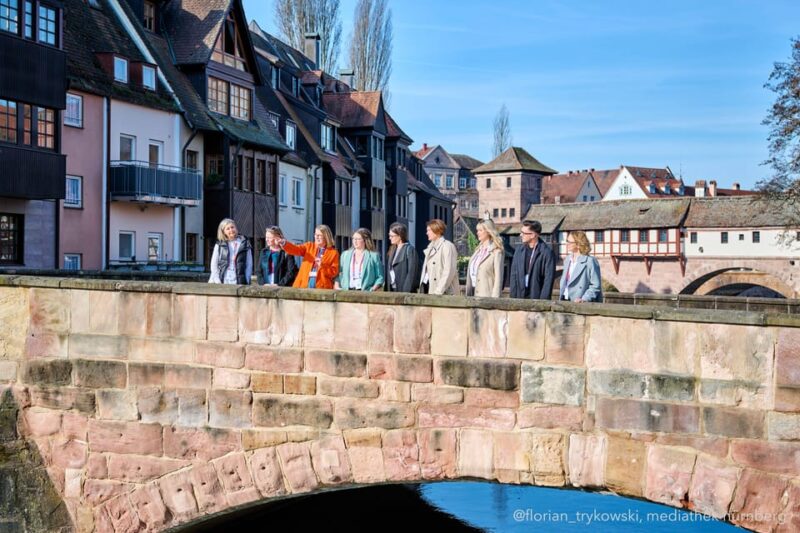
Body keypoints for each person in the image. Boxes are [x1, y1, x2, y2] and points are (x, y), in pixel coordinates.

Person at [280, 224, 339, 289]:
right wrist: (284, 243)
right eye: (315, 234)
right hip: (303, 285)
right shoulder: (309, 246)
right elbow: (295, 249)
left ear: (326, 236)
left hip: (322, 288)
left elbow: (334, 272)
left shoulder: (333, 253)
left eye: (319, 235)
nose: (316, 237)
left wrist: (322, 265)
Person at [509, 220, 555, 299]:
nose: (520, 235)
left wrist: (543, 303)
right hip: (520, 297)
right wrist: (513, 298)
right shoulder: (519, 250)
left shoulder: (546, 253)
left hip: (536, 297)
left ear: (533, 235)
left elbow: (548, 280)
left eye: (524, 233)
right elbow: (513, 275)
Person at [560, 230, 603, 302]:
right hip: (564, 299)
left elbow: (595, 286)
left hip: (580, 302)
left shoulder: (590, 261)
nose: (567, 244)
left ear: (578, 244)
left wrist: (585, 299)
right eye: (567, 241)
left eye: (570, 242)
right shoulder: (567, 259)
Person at [466, 219, 505, 298]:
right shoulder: (477, 251)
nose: (477, 233)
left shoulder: (496, 251)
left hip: (487, 296)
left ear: (488, 231)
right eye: (477, 230)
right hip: (472, 294)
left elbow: (498, 278)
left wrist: (494, 299)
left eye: (480, 230)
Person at [419, 218, 459, 295]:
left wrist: (438, 291)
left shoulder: (447, 246)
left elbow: (449, 271)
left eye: (429, 230)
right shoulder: (429, 248)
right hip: (429, 288)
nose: (427, 233)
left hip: (443, 293)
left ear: (437, 230)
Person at [208, 218, 252, 285]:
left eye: (232, 227)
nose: (231, 230)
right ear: (223, 232)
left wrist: (247, 278)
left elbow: (249, 263)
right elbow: (214, 264)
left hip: (240, 279)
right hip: (223, 279)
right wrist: (217, 281)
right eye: (228, 229)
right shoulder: (219, 245)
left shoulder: (244, 243)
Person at [385, 222, 420, 292]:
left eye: (392, 236)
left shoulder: (410, 250)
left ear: (400, 236)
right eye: (389, 235)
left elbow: (411, 274)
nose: (389, 238)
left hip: (403, 291)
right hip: (392, 289)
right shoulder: (392, 249)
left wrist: (406, 292)